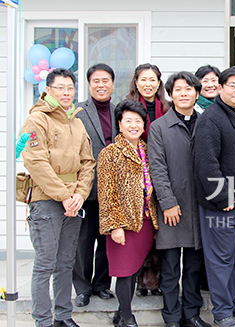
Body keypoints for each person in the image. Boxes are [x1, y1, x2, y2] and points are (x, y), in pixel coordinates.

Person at [21, 68, 95, 327]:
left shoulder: (76, 120)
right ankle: (42, 319)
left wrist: (79, 194)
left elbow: (88, 162)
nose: (66, 92)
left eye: (70, 88)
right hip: (46, 201)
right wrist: (64, 195)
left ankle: (63, 316)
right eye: (60, 87)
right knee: (45, 263)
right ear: (48, 90)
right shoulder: (36, 120)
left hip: (73, 202)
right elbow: (35, 161)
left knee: (66, 262)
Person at [194, 66, 235, 327]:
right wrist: (223, 197)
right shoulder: (211, 118)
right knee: (220, 260)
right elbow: (206, 163)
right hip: (222, 206)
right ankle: (221, 311)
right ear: (220, 88)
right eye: (232, 85)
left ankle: (233, 303)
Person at [148, 71, 211, 327]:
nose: (183, 94)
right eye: (178, 89)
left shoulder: (206, 122)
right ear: (170, 94)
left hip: (199, 207)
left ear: (197, 93)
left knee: (194, 268)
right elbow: (157, 168)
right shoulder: (159, 127)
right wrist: (168, 202)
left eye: (189, 89)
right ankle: (172, 317)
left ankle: (191, 314)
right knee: (171, 267)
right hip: (173, 208)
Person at [98, 99, 160, 327]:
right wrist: (115, 226)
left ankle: (119, 313)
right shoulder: (110, 153)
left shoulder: (145, 150)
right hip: (124, 225)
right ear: (119, 124)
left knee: (134, 271)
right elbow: (107, 193)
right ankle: (127, 317)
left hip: (145, 222)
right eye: (129, 121)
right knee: (124, 272)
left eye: (138, 121)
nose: (134, 125)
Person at [73, 63, 117, 308]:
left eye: (105, 80)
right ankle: (82, 288)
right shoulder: (78, 111)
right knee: (82, 242)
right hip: (86, 188)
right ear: (89, 84)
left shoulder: (118, 110)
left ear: (112, 83)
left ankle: (102, 285)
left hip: (111, 190)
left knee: (107, 240)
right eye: (96, 81)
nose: (101, 85)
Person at [126, 63, 170, 142]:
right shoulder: (127, 108)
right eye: (143, 80)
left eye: (152, 80)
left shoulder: (168, 109)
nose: (148, 84)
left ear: (158, 83)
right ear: (136, 82)